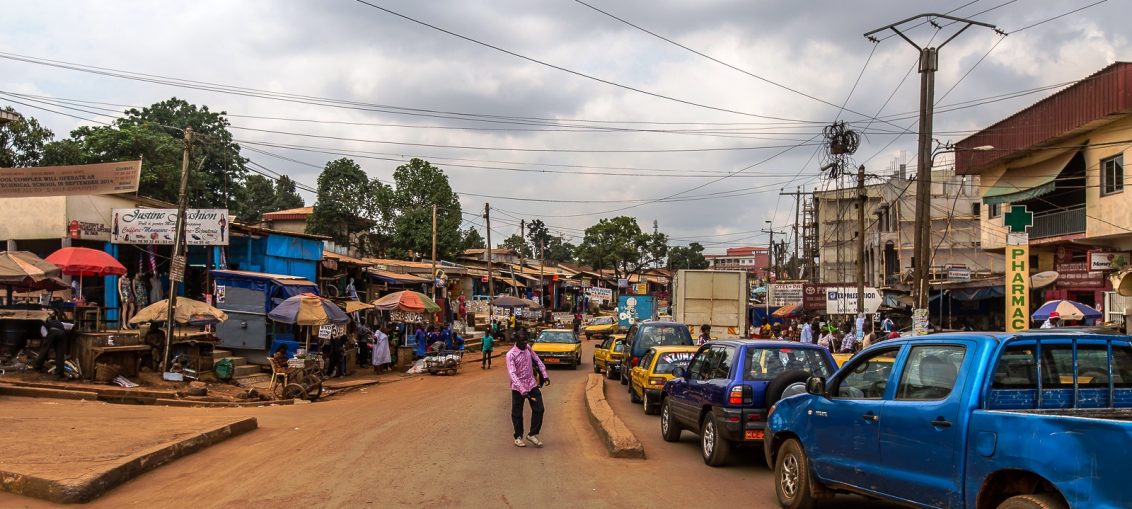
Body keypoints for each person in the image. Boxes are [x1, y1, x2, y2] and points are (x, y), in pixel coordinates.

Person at [507, 333, 549, 448]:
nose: (525, 344)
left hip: (531, 384)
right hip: (518, 388)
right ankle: (518, 437)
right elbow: (512, 373)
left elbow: (538, 361)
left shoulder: (528, 349)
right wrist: (522, 390)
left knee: (539, 409)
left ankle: (533, 434)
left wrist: (544, 375)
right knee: (517, 412)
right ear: (516, 341)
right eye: (522, 342)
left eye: (526, 341)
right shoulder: (510, 355)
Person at [32, 313, 73, 379]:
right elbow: (72, 326)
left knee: (44, 350)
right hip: (62, 334)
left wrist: (48, 343)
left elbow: (45, 335)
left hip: (52, 332)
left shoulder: (44, 325)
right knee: (60, 354)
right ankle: (59, 374)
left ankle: (37, 367)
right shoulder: (61, 323)